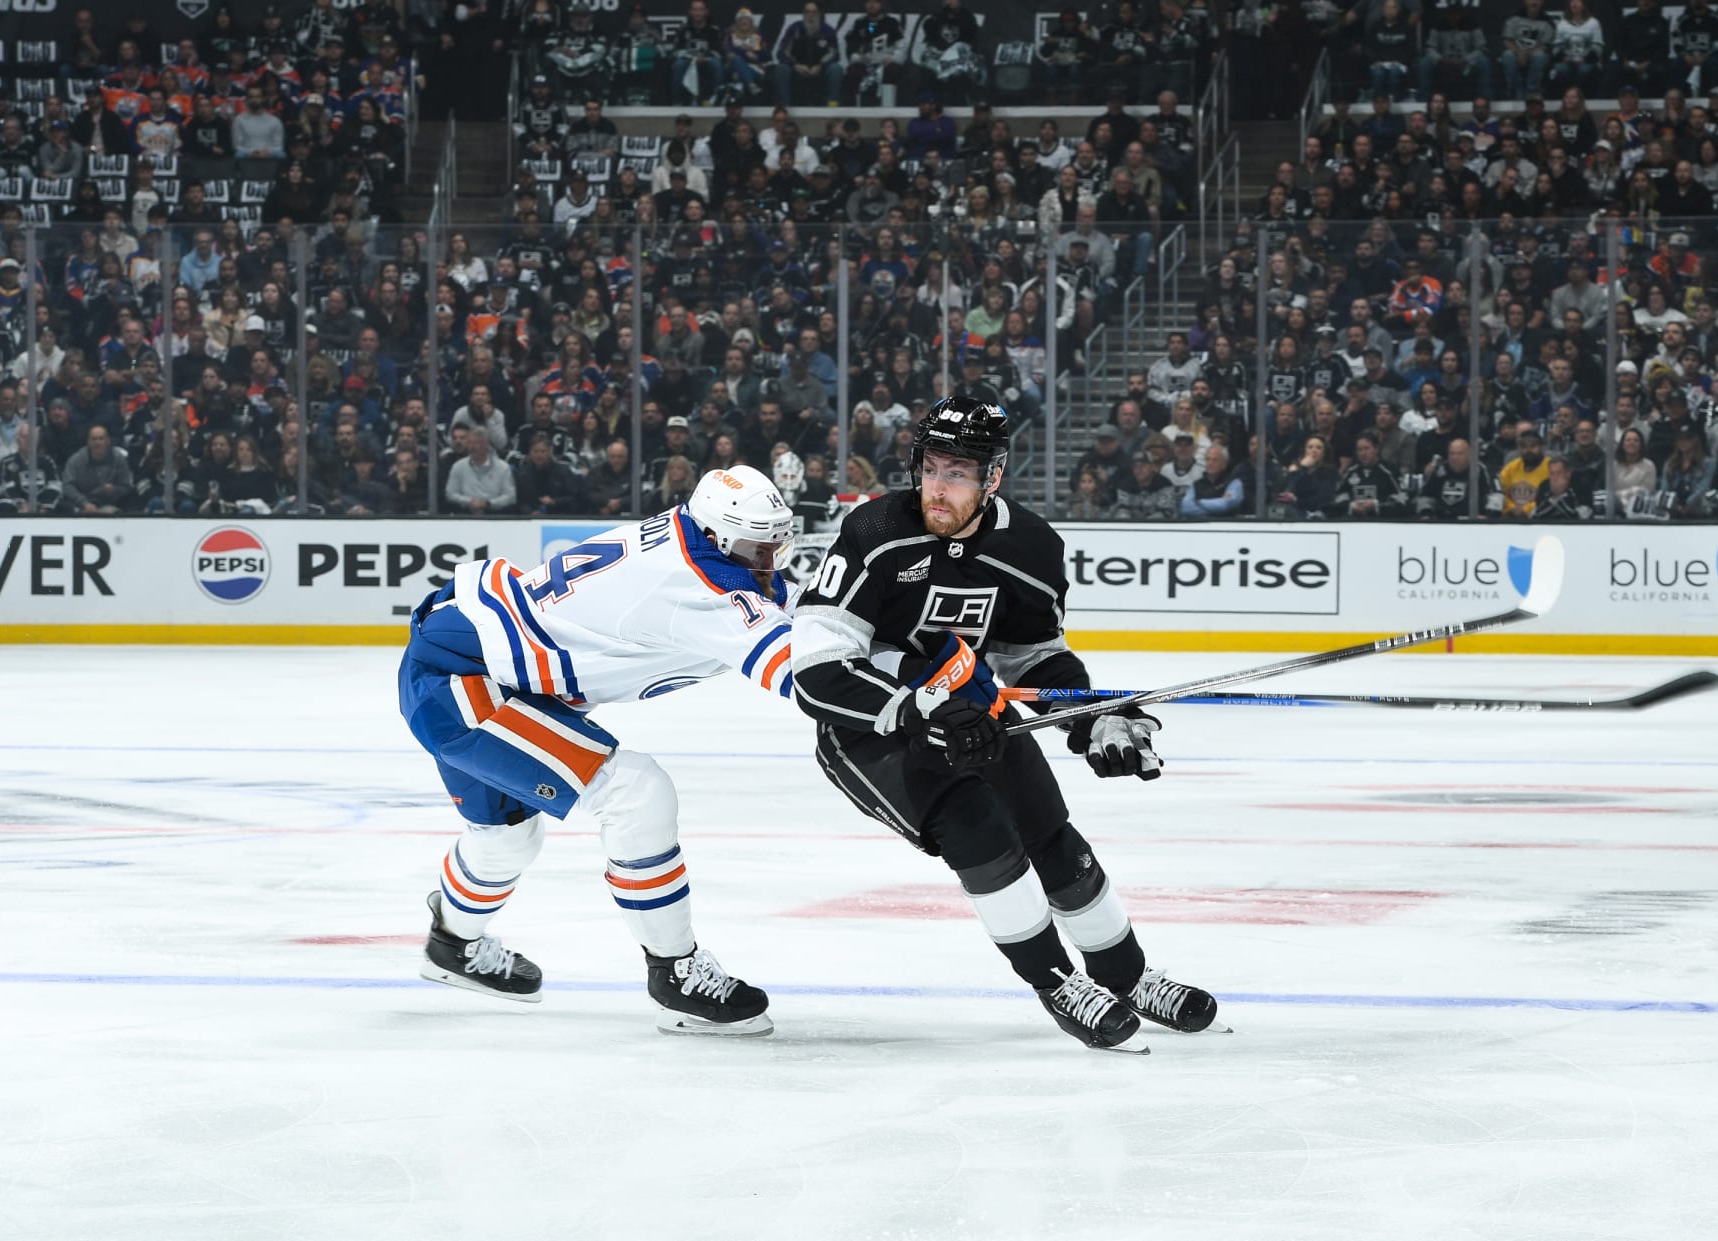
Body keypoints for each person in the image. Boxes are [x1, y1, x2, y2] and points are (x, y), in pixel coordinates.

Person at [790, 396, 1219, 1054]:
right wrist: (914, 708)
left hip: (971, 714)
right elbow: (817, 668)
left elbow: (1034, 656)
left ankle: (1127, 978)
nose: (938, 486)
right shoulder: (873, 533)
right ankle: (1059, 983)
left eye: (958, 472)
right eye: (931, 467)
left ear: (992, 478)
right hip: (871, 731)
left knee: (1052, 834)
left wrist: (1090, 721)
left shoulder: (1032, 547)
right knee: (979, 828)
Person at [399, 465, 800, 1034]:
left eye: (777, 544)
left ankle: (451, 945)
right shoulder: (699, 583)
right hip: (463, 684)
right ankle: (675, 971)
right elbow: (806, 673)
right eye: (759, 547)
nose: (771, 561)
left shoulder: (696, 539)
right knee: (635, 793)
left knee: (508, 840)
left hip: (466, 658)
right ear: (717, 538)